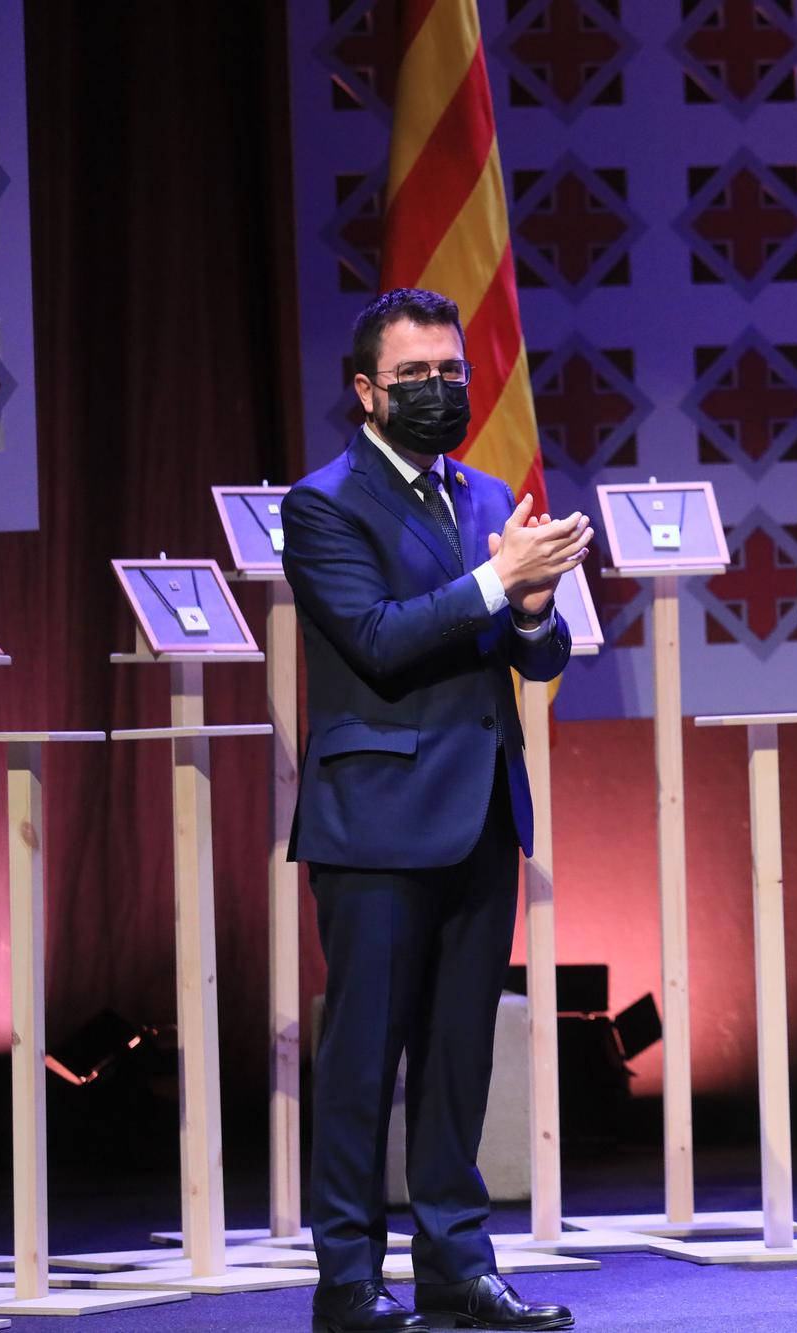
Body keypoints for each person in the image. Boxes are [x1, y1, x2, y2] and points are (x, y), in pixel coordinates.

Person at [283, 287, 590, 1333]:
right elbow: (374, 637)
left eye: (451, 372)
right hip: (374, 813)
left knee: (458, 1055)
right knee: (365, 1057)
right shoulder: (321, 504)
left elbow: (528, 652)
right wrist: (500, 581)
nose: (439, 389)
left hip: (480, 807)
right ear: (366, 391)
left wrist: (537, 604)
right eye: (414, 376)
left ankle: (459, 1265)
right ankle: (348, 1280)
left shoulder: (488, 492)